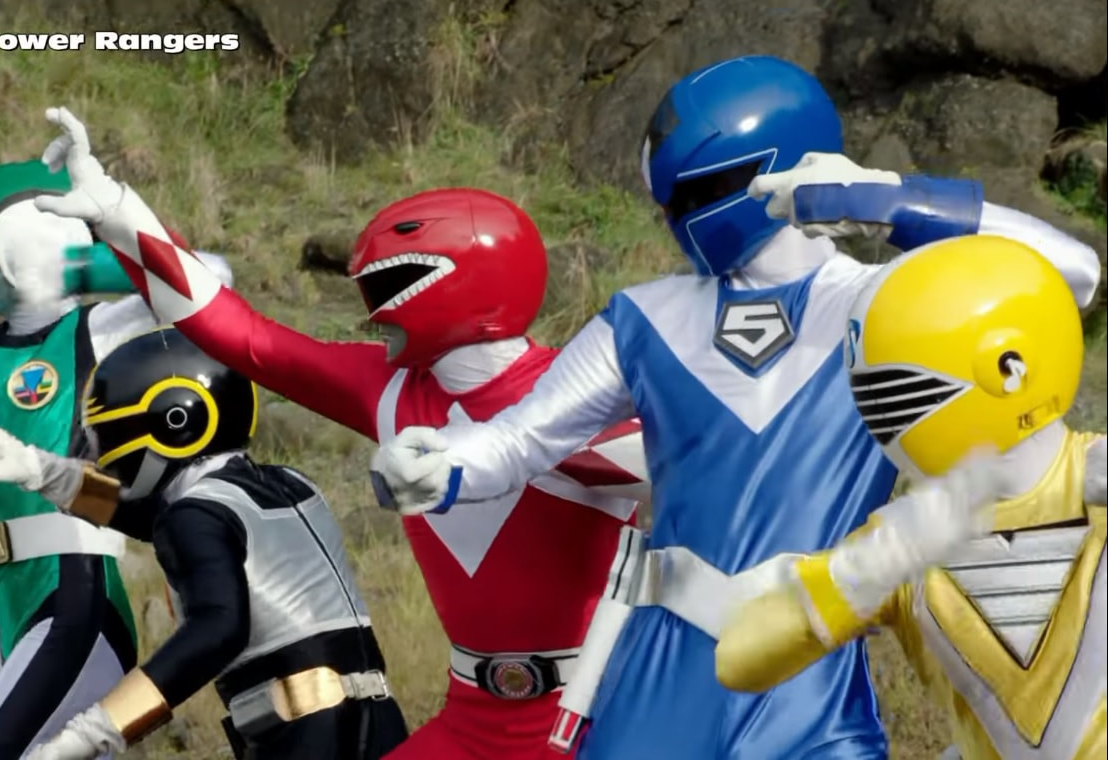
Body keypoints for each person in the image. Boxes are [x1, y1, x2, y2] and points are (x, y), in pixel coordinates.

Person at [369, 55, 1103, 759]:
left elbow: (1070, 275)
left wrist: (886, 200)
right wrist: (444, 461)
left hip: (808, 665)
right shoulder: (645, 317)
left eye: (699, 190)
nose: (681, 216)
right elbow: (518, 439)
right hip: (660, 670)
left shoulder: (881, 303)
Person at [25, 107, 651, 759]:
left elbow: (704, 482)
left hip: (597, 715)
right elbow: (241, 336)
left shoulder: (572, 400)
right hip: (473, 718)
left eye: (387, 285)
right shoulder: (392, 390)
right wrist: (117, 214)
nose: (371, 311)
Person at [0, 159, 232, 760]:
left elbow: (212, 278)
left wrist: (78, 265)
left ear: (20, 245)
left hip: (75, 589)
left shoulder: (94, 329)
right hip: (5, 593)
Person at [716, 234, 1107, 760]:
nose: (883, 414)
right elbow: (737, 658)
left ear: (1010, 368)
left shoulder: (1095, 478)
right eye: (874, 394)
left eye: (900, 389)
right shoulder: (903, 539)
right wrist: (862, 572)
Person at [0, 328, 411, 760]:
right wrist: (39, 470)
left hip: (303, 738)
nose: (107, 456)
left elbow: (219, 628)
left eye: (115, 435)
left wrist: (97, 729)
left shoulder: (196, 514)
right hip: (379, 720)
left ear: (174, 422)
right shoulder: (290, 483)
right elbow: (156, 519)